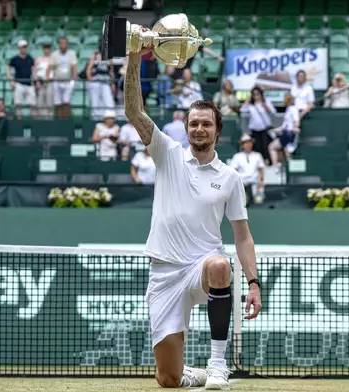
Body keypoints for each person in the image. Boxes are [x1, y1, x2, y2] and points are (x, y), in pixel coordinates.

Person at [124, 45, 262, 390]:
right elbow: (133, 111)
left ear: (218, 131)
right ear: (186, 129)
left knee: (219, 265)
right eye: (193, 124)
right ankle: (190, 374)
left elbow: (242, 236)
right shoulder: (167, 154)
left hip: (202, 266)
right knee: (167, 379)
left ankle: (217, 366)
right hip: (165, 271)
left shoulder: (230, 177)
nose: (199, 129)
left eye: (206, 124)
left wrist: (254, 282)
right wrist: (133, 58)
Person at [241, 86, 275, 164]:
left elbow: (273, 112)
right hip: (255, 129)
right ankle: (258, 163)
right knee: (257, 147)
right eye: (254, 94)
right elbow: (242, 109)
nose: (256, 96)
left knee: (265, 147)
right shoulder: (251, 105)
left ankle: (267, 162)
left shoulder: (266, 102)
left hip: (265, 129)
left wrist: (265, 106)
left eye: (258, 94)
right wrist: (249, 99)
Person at [230, 134, 265, 206]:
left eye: (249, 142)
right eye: (245, 143)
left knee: (259, 201)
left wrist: (261, 181)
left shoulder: (257, 155)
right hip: (242, 182)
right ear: (242, 145)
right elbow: (233, 171)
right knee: (242, 203)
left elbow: (261, 169)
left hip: (255, 181)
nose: (248, 145)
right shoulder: (237, 156)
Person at [48, 37, 78, 120]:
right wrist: (47, 77)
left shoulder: (72, 53)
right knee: (58, 103)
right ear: (59, 45)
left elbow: (74, 66)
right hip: (57, 81)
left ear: (67, 45)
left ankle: (65, 119)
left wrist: (75, 75)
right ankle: (60, 119)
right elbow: (50, 67)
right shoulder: (54, 54)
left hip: (68, 81)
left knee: (66, 102)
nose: (63, 45)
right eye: (62, 43)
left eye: (65, 43)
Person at [267, 94, 300, 166]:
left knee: (286, 152)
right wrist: (274, 130)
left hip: (290, 134)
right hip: (285, 133)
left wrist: (295, 128)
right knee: (283, 151)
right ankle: (277, 166)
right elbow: (284, 126)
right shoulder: (288, 109)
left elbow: (296, 120)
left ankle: (280, 168)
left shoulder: (293, 108)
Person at [7, 40, 36, 119]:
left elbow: (34, 70)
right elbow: (8, 69)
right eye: (22, 47)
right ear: (19, 48)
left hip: (29, 84)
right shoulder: (15, 59)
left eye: (25, 47)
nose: (24, 49)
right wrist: (11, 81)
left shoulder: (30, 58)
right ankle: (19, 122)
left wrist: (34, 81)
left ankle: (35, 122)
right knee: (18, 105)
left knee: (33, 105)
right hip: (19, 84)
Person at [84, 51, 115, 119]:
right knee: (95, 101)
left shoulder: (108, 59)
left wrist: (112, 83)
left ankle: (110, 117)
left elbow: (111, 71)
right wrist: (89, 78)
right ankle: (96, 117)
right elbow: (88, 68)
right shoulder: (94, 57)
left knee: (108, 100)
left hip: (106, 82)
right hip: (95, 82)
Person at [34, 43, 54, 119]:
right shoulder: (38, 59)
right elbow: (35, 72)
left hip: (50, 82)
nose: (46, 50)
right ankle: (41, 120)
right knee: (40, 102)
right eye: (45, 48)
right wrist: (36, 82)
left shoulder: (53, 59)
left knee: (50, 102)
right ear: (43, 49)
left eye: (48, 48)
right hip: (40, 82)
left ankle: (50, 119)